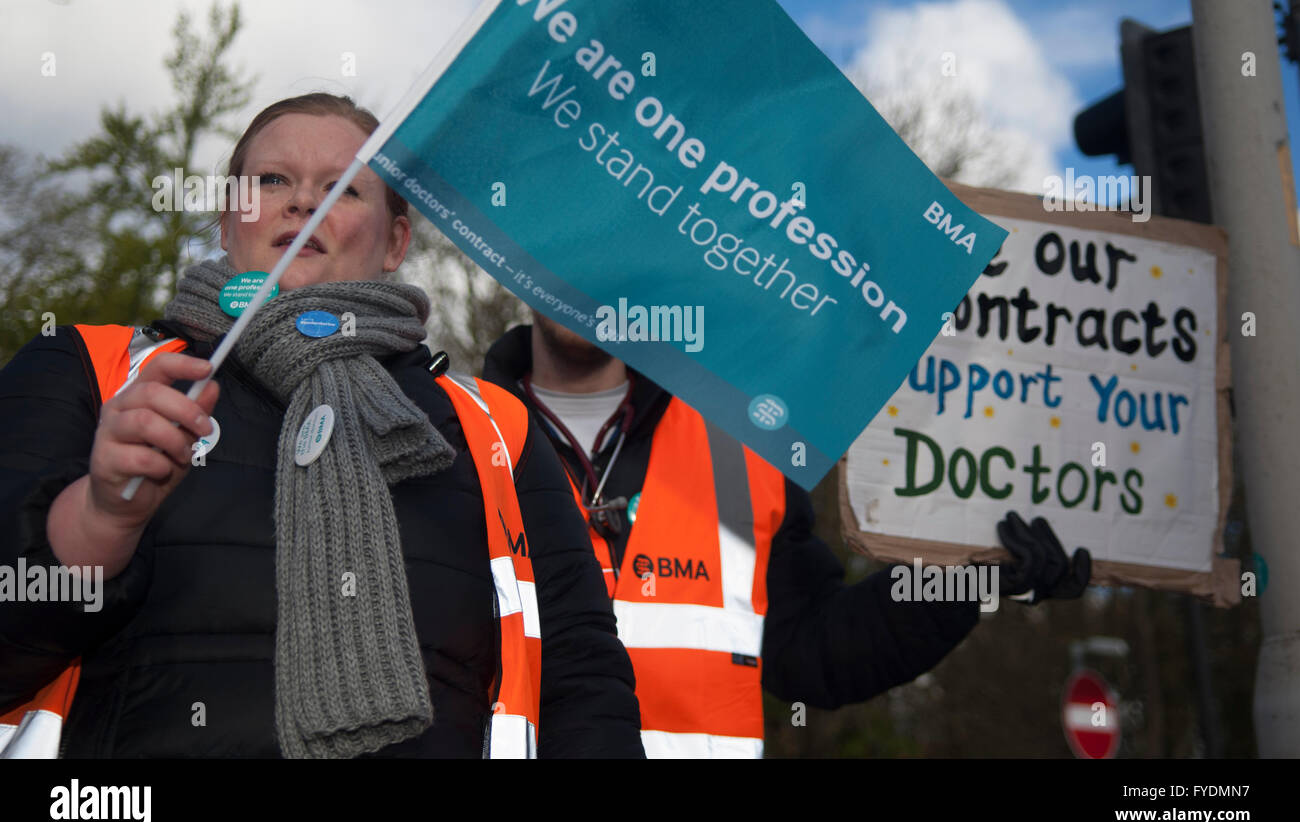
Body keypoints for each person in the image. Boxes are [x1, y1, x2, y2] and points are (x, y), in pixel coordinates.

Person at [0, 94, 643, 759]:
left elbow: (583, 682)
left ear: (395, 241)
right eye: (272, 180)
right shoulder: (91, 370)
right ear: (227, 222)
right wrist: (98, 521)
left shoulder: (493, 428)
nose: (302, 203)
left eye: (342, 188)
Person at [482, 313, 1090, 758]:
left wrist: (966, 581)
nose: (585, 271)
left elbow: (820, 652)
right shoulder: (454, 444)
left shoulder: (743, 448)